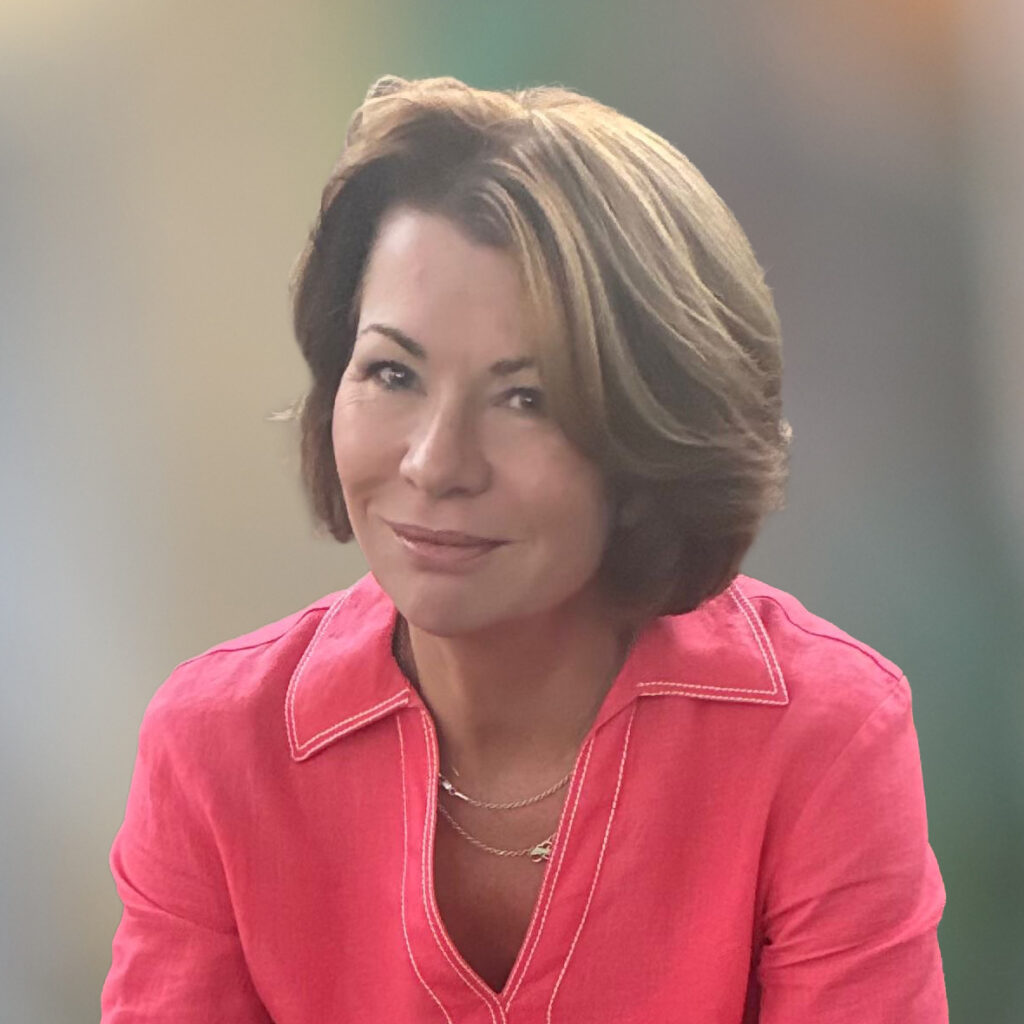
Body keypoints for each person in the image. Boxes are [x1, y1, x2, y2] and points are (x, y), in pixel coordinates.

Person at [101, 75, 948, 1022]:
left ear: (652, 432)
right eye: (393, 373)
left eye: (525, 398)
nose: (435, 463)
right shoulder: (219, 750)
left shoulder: (820, 735)